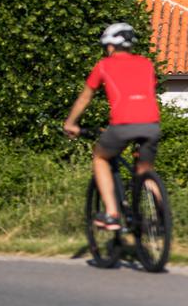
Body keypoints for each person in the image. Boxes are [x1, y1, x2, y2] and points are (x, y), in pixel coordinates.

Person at [63, 23, 161, 231]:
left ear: (110, 46)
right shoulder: (146, 64)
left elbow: (85, 98)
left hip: (122, 125)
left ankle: (112, 213)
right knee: (145, 170)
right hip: (152, 124)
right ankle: (161, 217)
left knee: (100, 157)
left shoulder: (104, 65)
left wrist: (71, 123)